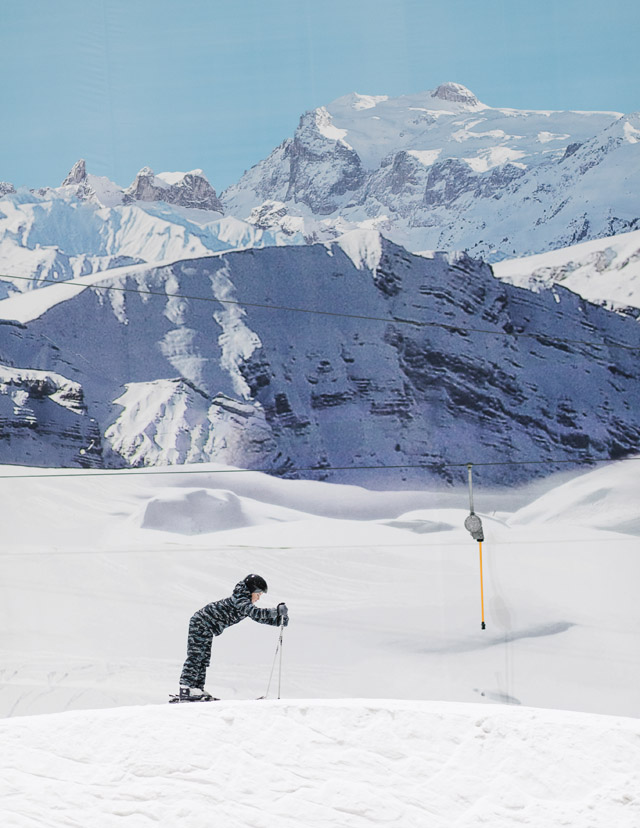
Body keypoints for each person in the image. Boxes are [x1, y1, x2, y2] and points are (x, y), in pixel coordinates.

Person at [178, 574, 289, 701]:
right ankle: (186, 689)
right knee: (196, 655)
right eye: (258, 595)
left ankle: (196, 689)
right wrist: (276, 611)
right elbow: (256, 612)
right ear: (252, 590)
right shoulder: (241, 600)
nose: (258, 598)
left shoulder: (244, 603)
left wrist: (280, 620)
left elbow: (259, 617)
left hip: (207, 627)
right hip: (200, 623)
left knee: (203, 658)